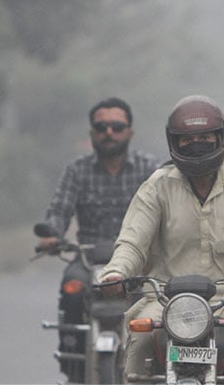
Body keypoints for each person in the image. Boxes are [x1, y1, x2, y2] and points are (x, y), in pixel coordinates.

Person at [98, 94, 224, 384]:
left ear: (220, 138)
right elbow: (132, 241)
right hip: (165, 299)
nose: (196, 144)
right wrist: (116, 272)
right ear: (173, 143)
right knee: (139, 339)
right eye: (187, 139)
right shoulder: (158, 185)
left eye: (204, 137)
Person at [37, 97, 160, 383]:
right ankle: (74, 364)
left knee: (161, 299)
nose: (109, 132)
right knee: (72, 288)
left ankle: (157, 369)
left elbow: (167, 210)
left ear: (129, 132)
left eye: (117, 126)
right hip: (87, 258)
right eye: (101, 127)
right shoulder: (77, 170)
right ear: (92, 133)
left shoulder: (151, 169)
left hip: (139, 263)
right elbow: (59, 210)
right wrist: (52, 235)